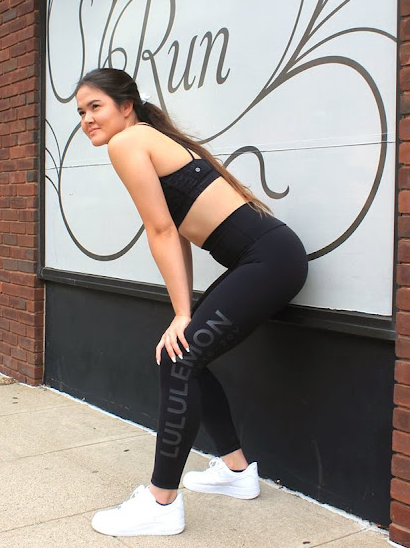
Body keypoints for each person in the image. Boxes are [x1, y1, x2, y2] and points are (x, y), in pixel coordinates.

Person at [75, 68, 308, 537]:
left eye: (95, 107)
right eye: (80, 112)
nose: (87, 120)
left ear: (126, 106)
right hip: (271, 258)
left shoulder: (128, 142)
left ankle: (161, 502)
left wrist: (184, 314)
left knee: (178, 359)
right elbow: (175, 233)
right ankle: (237, 472)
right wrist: (181, 311)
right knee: (185, 357)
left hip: (268, 261)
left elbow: (160, 229)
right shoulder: (148, 138)